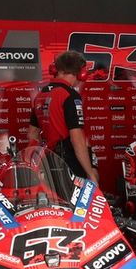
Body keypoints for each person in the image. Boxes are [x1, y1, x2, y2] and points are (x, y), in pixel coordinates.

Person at [29, 50, 98, 182]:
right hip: (69, 162)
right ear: (81, 73)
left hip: (50, 161)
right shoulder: (70, 96)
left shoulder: (41, 95)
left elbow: (32, 135)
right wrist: (91, 174)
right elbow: (76, 139)